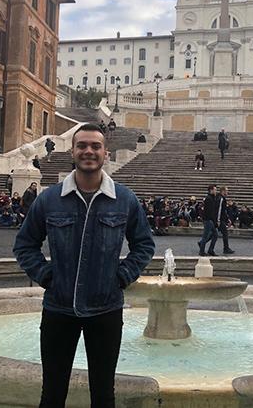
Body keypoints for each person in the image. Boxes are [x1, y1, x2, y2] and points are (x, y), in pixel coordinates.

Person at [13, 123, 155, 408]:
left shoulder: (125, 199)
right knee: (52, 394)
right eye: (82, 146)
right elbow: (24, 244)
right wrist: (46, 276)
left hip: (106, 310)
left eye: (95, 146)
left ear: (105, 153)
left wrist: (122, 276)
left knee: (103, 395)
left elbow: (145, 245)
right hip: (58, 309)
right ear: (73, 151)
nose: (88, 151)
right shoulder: (49, 199)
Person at [198, 185, 218, 256]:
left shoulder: (212, 198)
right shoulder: (209, 199)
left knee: (215, 234)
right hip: (208, 220)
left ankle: (210, 250)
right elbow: (209, 211)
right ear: (211, 190)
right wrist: (213, 220)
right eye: (215, 190)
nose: (216, 191)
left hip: (210, 220)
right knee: (206, 236)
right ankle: (202, 251)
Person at [216, 186, 235, 254]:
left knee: (213, 233)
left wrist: (227, 219)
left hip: (221, 219)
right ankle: (226, 248)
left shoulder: (221, 198)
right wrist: (218, 220)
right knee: (225, 233)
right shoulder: (221, 199)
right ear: (223, 191)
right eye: (227, 191)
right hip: (220, 220)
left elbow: (223, 211)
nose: (227, 192)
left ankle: (202, 242)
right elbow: (220, 210)